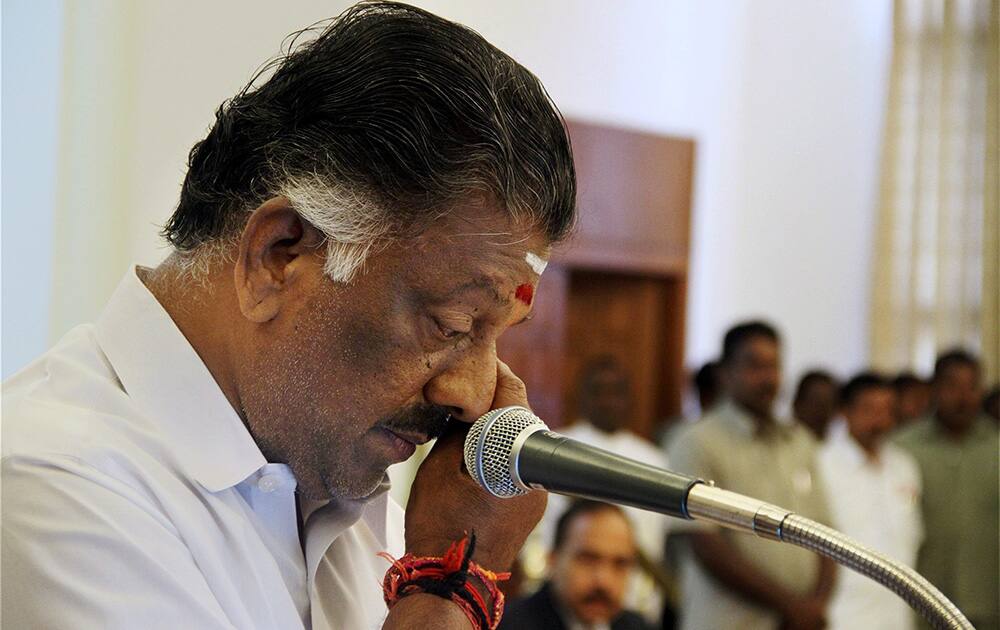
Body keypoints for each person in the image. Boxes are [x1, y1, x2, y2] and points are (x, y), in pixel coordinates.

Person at [1, 3, 577, 629]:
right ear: (279, 255)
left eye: (497, 338)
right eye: (452, 326)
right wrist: (447, 585)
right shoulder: (55, 485)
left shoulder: (327, 467)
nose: (474, 396)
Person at [668, 321, 835, 630]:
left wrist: (816, 605)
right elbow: (705, 544)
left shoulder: (800, 441)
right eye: (754, 365)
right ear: (725, 372)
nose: (768, 378)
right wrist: (791, 606)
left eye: (774, 366)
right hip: (731, 621)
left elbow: (825, 533)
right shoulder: (697, 441)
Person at [535, 356, 671, 622]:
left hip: (633, 603)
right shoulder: (553, 449)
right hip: (565, 600)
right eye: (599, 391)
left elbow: (655, 541)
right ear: (582, 396)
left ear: (630, 398)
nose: (608, 401)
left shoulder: (655, 460)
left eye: (617, 392)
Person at [895, 350, 999, 630]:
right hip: (924, 602)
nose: (963, 397)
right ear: (935, 389)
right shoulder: (903, 448)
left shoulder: (997, 446)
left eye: (972, 386)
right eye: (953, 386)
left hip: (989, 603)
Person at [818, 373, 923, 630]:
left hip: (898, 611)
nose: (879, 420)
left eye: (886, 410)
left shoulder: (904, 465)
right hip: (844, 614)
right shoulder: (822, 464)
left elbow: (914, 535)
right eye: (869, 410)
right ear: (845, 411)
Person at [500, 501, 651, 630]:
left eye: (620, 564)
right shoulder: (507, 625)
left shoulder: (638, 626)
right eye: (588, 560)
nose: (604, 581)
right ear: (553, 561)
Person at [792, 369, 840, 441]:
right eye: (815, 402)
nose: (821, 411)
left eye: (827, 403)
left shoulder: (838, 448)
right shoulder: (779, 444)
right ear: (797, 404)